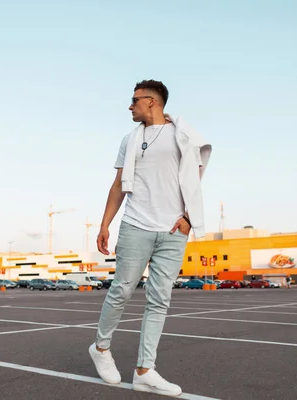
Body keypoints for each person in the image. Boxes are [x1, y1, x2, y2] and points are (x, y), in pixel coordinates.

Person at [88, 79, 211, 396]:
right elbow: (118, 185)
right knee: (122, 290)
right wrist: (105, 225)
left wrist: (187, 218)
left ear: (152, 101)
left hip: (173, 231)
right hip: (136, 224)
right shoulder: (130, 139)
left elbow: (195, 179)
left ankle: (145, 370)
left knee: (160, 300)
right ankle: (101, 348)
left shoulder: (182, 135)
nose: (130, 106)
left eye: (134, 100)